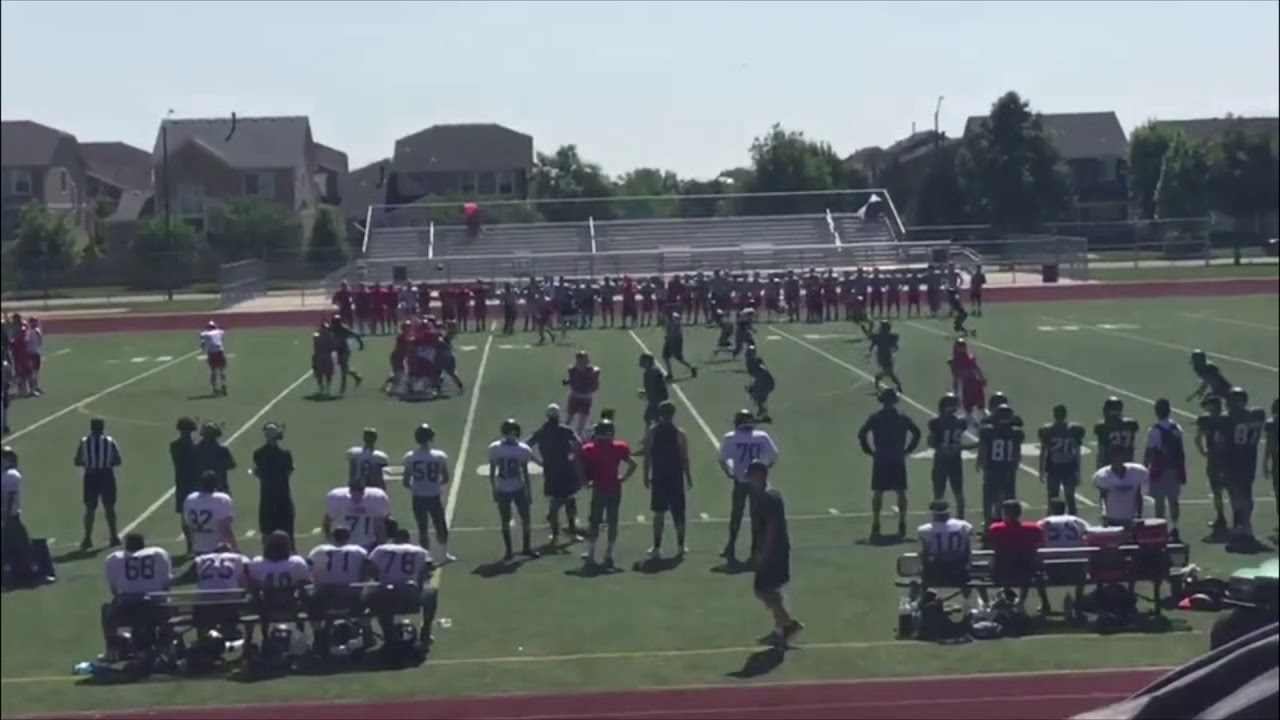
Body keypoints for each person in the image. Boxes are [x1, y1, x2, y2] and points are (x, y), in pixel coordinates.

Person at [746, 460, 803, 648]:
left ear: (760, 475)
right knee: (772, 590)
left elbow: (771, 528)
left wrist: (763, 553)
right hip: (774, 550)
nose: (749, 478)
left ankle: (788, 624)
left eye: (752, 475)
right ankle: (780, 630)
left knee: (763, 589)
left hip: (773, 552)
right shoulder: (764, 495)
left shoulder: (768, 497)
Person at [857, 388, 921, 539]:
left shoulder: (876, 418)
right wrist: (908, 450)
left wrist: (869, 450)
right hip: (897, 457)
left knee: (878, 492)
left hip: (881, 458)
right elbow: (917, 433)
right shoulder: (902, 418)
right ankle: (902, 521)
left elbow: (862, 434)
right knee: (900, 491)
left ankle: (876, 521)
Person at [718, 410, 780, 563]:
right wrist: (765, 470)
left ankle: (731, 546)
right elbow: (774, 456)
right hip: (757, 482)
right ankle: (755, 550)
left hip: (740, 480)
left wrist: (728, 473)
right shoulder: (762, 436)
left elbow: (722, 459)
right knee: (756, 516)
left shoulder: (730, 437)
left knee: (736, 514)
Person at [101, 533, 172, 661]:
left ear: (126, 545)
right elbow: (165, 585)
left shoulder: (113, 559)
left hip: (126, 608)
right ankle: (165, 645)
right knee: (168, 603)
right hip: (155, 607)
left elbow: (115, 590)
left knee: (106, 608)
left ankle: (112, 650)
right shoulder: (158, 554)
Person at [579, 419, 636, 568]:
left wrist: (584, 481)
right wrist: (623, 478)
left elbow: (578, 464)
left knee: (595, 522)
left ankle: (591, 554)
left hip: (599, 489)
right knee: (612, 521)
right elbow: (633, 464)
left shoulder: (590, 449)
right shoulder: (619, 447)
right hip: (614, 489)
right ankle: (608, 553)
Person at [369, 527, 439, 646]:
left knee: (378, 596)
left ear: (393, 539)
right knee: (432, 592)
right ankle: (426, 631)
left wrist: (379, 579)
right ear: (408, 539)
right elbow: (426, 570)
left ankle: (387, 633)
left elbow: (370, 568)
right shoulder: (420, 551)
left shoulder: (380, 549)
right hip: (410, 593)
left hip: (386, 594)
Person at [642, 401, 693, 559]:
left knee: (659, 513)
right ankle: (681, 546)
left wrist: (645, 475)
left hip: (659, 476)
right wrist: (688, 476)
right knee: (679, 513)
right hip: (675, 477)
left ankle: (657, 547)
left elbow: (647, 455)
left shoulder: (652, 432)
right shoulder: (679, 433)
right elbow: (684, 457)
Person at [529, 404, 584, 544]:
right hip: (566, 469)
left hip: (550, 471)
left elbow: (526, 447)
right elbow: (579, 444)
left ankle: (555, 535)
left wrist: (539, 462)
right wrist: (573, 456)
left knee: (554, 502)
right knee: (570, 501)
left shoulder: (541, 431)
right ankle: (572, 532)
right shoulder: (565, 430)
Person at [1222, 387, 1267, 549]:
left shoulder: (1228, 420)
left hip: (1233, 461)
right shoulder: (1253, 417)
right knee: (1246, 494)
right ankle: (1245, 525)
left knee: (1236, 494)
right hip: (1249, 461)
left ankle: (1241, 524)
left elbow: (1223, 442)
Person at [402, 424, 454, 563]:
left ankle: (425, 556)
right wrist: (433, 485)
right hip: (433, 496)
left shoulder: (409, 457)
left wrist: (417, 487)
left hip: (418, 497)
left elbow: (406, 482)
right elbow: (445, 478)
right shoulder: (439, 456)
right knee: (440, 525)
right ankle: (443, 554)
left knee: (422, 528)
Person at [487, 419, 538, 561]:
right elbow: (525, 472)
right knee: (524, 519)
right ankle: (525, 548)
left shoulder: (495, 448)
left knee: (506, 521)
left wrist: (494, 488)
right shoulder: (522, 449)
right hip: (517, 487)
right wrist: (528, 491)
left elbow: (492, 471)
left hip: (503, 487)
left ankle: (509, 551)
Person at [986, 500, 1049, 614]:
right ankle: (1024, 600)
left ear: (1005, 512)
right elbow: (1039, 544)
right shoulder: (1033, 528)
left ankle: (991, 601)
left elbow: (992, 545)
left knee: (993, 564)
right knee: (1031, 566)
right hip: (1027, 572)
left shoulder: (995, 528)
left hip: (1002, 572)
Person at [917, 500, 978, 609]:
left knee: (924, 570)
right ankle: (969, 603)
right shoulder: (963, 525)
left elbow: (924, 554)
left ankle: (922, 600)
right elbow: (967, 549)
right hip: (960, 571)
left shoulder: (925, 529)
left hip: (936, 572)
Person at [75, 417, 123, 551]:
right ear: (103, 428)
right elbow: (118, 460)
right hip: (106, 475)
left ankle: (87, 538)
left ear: (91, 428)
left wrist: (87, 464)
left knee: (90, 508)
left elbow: (77, 460)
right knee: (109, 507)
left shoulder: (84, 441)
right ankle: (113, 536)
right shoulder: (109, 441)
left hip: (90, 476)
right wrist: (107, 463)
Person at [1144, 399, 1187, 540]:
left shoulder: (1154, 430)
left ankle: (1161, 527)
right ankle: (1175, 527)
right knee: (1174, 500)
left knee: (1159, 501)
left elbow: (1150, 451)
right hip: (1174, 468)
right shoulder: (1177, 428)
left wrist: (1145, 467)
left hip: (1160, 468)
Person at [978, 404, 1025, 529]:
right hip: (1008, 468)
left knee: (989, 498)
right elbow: (1017, 452)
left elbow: (984, 449)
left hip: (993, 468)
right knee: (1009, 497)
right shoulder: (1016, 433)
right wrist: (1015, 465)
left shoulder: (988, 431)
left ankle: (988, 523)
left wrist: (982, 463)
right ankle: (1009, 522)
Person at [928, 393, 972, 520]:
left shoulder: (936, 422)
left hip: (941, 459)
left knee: (938, 491)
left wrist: (942, 447)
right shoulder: (961, 422)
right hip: (955, 458)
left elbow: (931, 442)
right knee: (958, 491)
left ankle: (937, 515)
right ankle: (961, 516)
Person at [253, 422, 296, 546]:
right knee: (287, 532)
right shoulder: (285, 454)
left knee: (267, 533)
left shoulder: (258, 454)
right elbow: (289, 471)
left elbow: (258, 472)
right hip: (283, 497)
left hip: (267, 498)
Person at [1038, 404, 1086, 516]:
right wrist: (1078, 471)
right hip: (1068, 467)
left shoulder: (1048, 430)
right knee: (1069, 497)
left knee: (1053, 497)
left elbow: (1043, 451)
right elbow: (1077, 452)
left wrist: (1041, 470)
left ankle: (1051, 519)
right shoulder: (1073, 430)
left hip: (1055, 467)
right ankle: (1073, 519)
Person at [324, 474, 391, 552]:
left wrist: (381, 543)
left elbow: (383, 523)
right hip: (344, 544)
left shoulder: (376, 498)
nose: (356, 493)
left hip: (368, 544)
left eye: (359, 490)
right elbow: (327, 520)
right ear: (350, 490)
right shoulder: (338, 498)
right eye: (353, 490)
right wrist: (328, 536)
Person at [183, 470, 237, 556]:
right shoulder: (222, 500)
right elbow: (225, 529)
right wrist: (235, 549)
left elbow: (187, 525)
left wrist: (194, 545)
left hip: (198, 549)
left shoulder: (190, 499)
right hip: (217, 549)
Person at [1093, 444, 1147, 527]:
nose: (1117, 459)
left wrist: (1139, 514)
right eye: (1115, 456)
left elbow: (1138, 495)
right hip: (1112, 519)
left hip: (1130, 518)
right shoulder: (1104, 476)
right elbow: (1103, 497)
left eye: (1119, 455)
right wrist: (1104, 513)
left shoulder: (1135, 472)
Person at [170, 417, 200, 556]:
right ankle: (194, 545)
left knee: (185, 516)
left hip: (182, 483)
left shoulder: (174, 445)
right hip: (194, 483)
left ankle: (190, 546)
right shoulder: (194, 446)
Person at [194, 422, 235, 494]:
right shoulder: (222, 449)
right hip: (220, 485)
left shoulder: (197, 449)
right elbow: (232, 465)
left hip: (201, 486)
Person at [661, 312, 698, 380]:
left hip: (674, 341)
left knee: (678, 358)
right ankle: (670, 373)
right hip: (670, 340)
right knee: (665, 356)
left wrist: (668, 336)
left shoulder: (674, 323)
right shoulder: (671, 321)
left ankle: (692, 368)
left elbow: (673, 332)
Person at [637, 353, 670, 428]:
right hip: (658, 399)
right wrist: (645, 392)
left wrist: (648, 395)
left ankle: (651, 433)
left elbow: (653, 388)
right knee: (654, 419)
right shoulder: (653, 372)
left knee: (649, 418)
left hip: (656, 401)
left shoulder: (650, 373)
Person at [198, 321, 229, 396]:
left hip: (211, 354)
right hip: (219, 353)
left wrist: (203, 345)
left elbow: (202, 341)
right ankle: (223, 384)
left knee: (213, 371)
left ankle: (215, 388)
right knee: (222, 370)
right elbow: (223, 332)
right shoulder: (219, 332)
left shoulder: (204, 333)